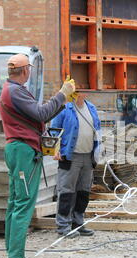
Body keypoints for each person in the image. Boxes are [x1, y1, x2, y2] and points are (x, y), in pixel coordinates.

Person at [0, 53, 75, 258]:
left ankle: (14, 257)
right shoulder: (15, 91)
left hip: (18, 149)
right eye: (29, 70)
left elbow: (38, 115)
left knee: (15, 203)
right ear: (25, 70)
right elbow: (41, 112)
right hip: (23, 150)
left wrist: (61, 101)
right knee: (23, 204)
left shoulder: (13, 90)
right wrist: (62, 94)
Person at [51, 91, 101, 238]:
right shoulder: (65, 108)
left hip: (88, 156)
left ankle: (78, 224)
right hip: (70, 156)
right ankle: (63, 226)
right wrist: (55, 149)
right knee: (66, 192)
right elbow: (54, 129)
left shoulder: (91, 107)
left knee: (83, 192)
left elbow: (97, 131)